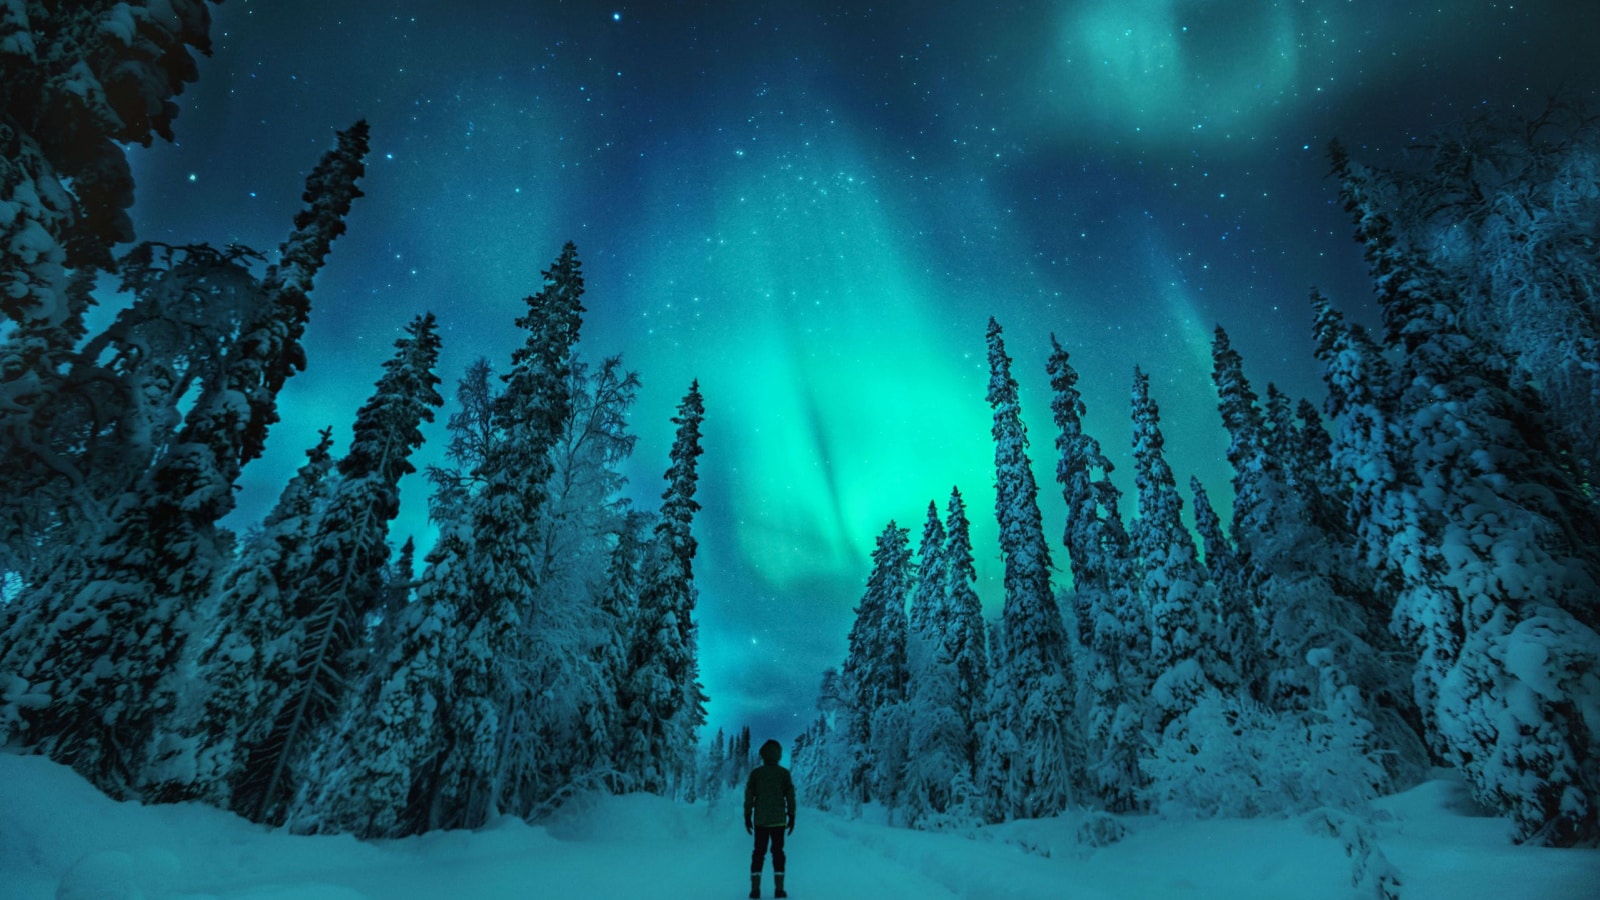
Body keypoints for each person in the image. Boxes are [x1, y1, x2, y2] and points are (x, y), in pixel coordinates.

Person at [744, 738, 795, 899]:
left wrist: (747, 816)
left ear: (763, 754)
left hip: (761, 821)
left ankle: (755, 890)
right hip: (779, 821)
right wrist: (792, 816)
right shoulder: (784, 774)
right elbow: (790, 797)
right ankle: (779, 890)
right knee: (778, 853)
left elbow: (749, 797)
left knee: (758, 853)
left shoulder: (756, 774)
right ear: (778, 754)